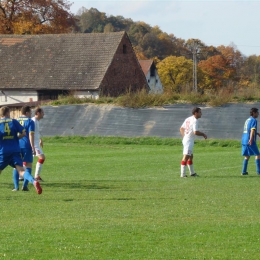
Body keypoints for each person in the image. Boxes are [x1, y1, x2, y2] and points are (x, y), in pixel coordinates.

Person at [0, 106, 42, 194]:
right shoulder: (14, 121)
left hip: (3, 151)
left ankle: (16, 187)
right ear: (8, 113)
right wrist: (16, 138)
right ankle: (33, 181)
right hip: (15, 150)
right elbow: (24, 133)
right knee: (22, 170)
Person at [12, 106, 35, 191]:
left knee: (16, 166)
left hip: (17, 146)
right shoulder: (30, 121)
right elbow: (31, 134)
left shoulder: (15, 121)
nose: (31, 114)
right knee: (28, 165)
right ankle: (25, 186)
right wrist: (33, 146)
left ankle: (16, 187)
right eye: (30, 112)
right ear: (27, 113)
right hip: (26, 146)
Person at [179, 107, 207, 178]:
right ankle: (183, 174)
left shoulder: (188, 119)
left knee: (191, 156)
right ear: (196, 113)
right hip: (188, 141)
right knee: (186, 157)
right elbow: (195, 132)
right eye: (200, 112)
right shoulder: (195, 121)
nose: (201, 114)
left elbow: (181, 128)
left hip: (186, 140)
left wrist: (184, 137)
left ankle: (192, 173)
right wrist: (203, 134)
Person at [241, 107, 260, 175]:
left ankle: (243, 171)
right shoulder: (254, 120)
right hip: (250, 140)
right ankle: (259, 172)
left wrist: (257, 133)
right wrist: (251, 139)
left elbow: (248, 129)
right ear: (254, 113)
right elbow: (252, 130)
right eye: (257, 112)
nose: (258, 114)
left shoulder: (247, 120)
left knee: (247, 156)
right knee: (258, 155)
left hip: (244, 140)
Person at [32, 107, 45, 181]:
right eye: (42, 113)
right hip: (33, 144)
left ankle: (21, 176)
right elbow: (30, 133)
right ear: (38, 113)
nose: (44, 114)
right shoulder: (33, 121)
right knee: (42, 158)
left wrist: (40, 139)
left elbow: (36, 132)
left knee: (27, 160)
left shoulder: (37, 121)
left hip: (35, 143)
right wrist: (32, 144)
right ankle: (36, 177)